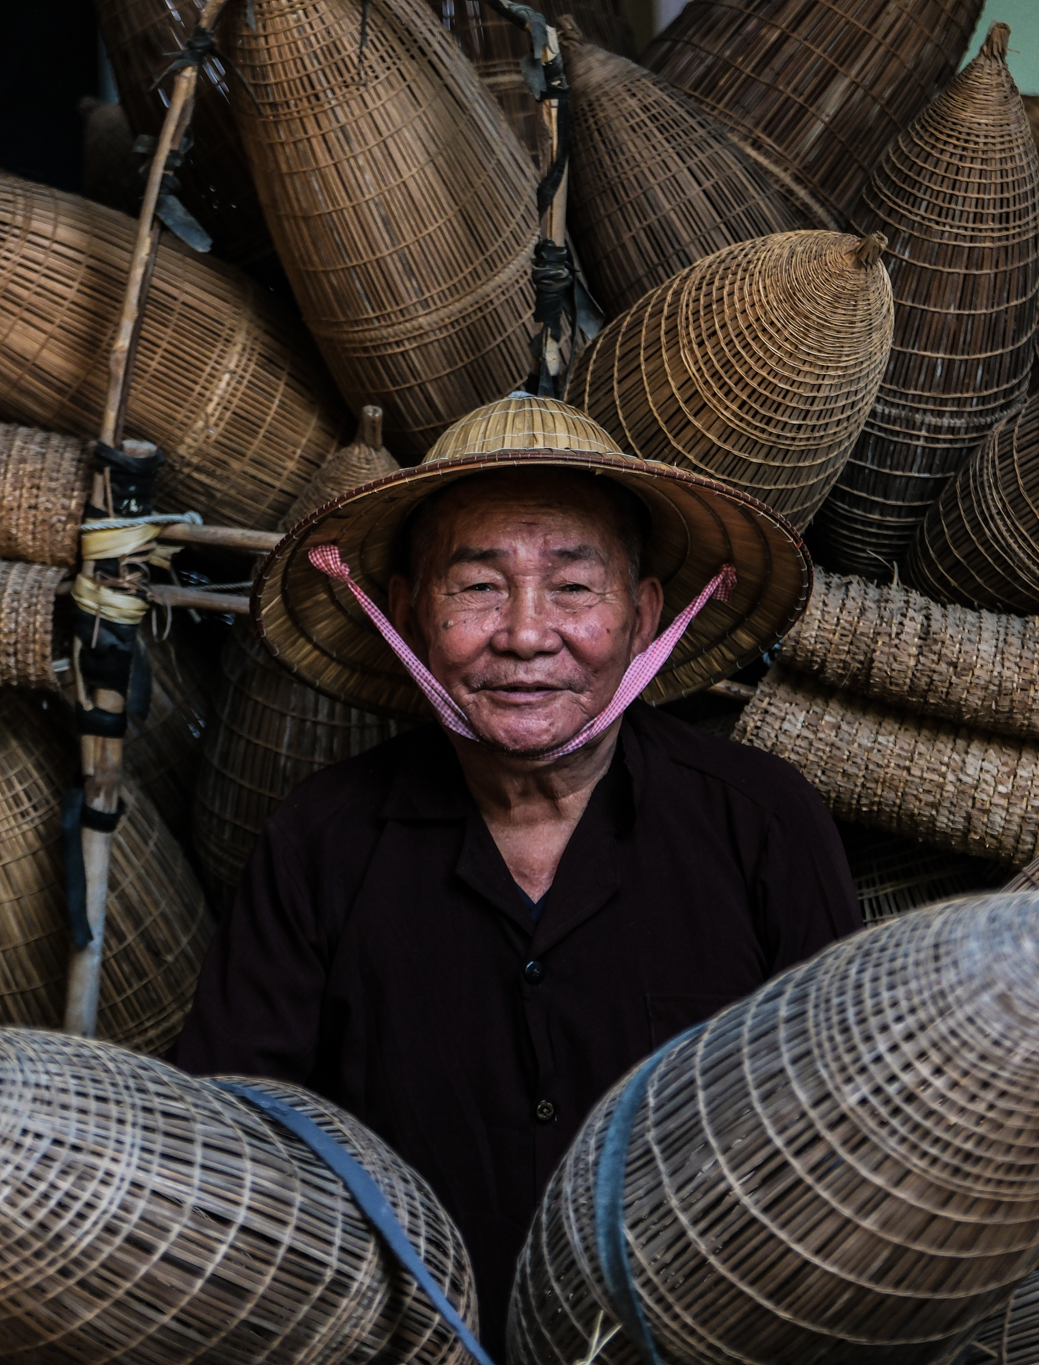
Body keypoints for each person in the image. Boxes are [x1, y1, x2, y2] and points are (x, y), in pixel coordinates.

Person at [175, 395, 861, 1351]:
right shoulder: (323, 840)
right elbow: (233, 1141)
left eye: (575, 587)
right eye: (479, 587)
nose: (528, 635)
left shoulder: (760, 823)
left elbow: (847, 1135)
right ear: (413, 615)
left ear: (644, 614)